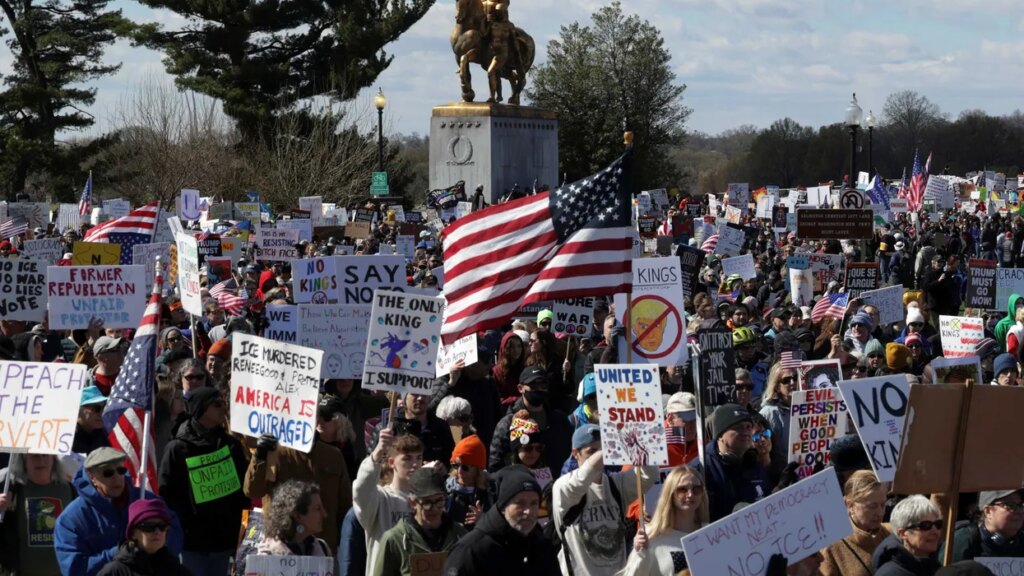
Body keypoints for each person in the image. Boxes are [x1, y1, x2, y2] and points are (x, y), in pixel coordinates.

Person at [158, 387, 250, 576]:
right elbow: (166, 493)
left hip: (226, 542)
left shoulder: (230, 444)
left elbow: (244, 489)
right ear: (201, 409)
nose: (223, 408)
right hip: (193, 545)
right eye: (217, 404)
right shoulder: (177, 448)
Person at [244, 398, 353, 554]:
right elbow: (252, 491)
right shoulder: (275, 453)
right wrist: (260, 456)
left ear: (317, 418)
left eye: (310, 414)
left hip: (322, 549)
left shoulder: (333, 455)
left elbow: (345, 505)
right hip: (280, 547)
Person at [54, 447, 184, 576]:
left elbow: (175, 535)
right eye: (108, 473)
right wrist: (120, 552)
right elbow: (74, 569)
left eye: (121, 470)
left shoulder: (146, 500)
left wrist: (153, 546)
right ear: (92, 477)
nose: (116, 477)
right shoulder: (71, 519)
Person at [551, 424, 657, 575]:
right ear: (575, 453)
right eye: (592, 451)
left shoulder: (616, 484)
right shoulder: (563, 486)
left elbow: (649, 475)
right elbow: (583, 477)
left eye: (603, 449)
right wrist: (611, 445)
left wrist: (638, 445)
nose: (602, 456)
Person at [443, 466, 560, 575]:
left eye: (534, 503)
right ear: (503, 506)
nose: (528, 511)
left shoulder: (542, 546)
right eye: (520, 503)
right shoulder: (470, 551)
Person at [374, 467, 467, 576]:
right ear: (412, 502)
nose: (434, 509)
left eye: (439, 501)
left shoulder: (460, 536)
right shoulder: (395, 540)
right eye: (427, 503)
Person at [354, 429, 422, 576]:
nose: (415, 464)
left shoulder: (424, 501)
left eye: (418, 458)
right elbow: (361, 489)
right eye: (407, 458)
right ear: (392, 462)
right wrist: (376, 454)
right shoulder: (380, 498)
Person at [622, 466, 708, 575]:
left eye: (696, 489)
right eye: (682, 489)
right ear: (670, 493)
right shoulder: (650, 536)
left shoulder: (711, 533)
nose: (690, 494)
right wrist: (640, 553)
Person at [0, 453, 76, 576]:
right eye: (34, 456)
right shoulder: (10, 489)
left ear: (53, 459)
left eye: (45, 455)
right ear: (24, 461)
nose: (40, 460)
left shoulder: (68, 489)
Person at [489, 365, 572, 477]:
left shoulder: (560, 420)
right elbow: (495, 465)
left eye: (543, 385)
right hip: (520, 489)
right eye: (533, 386)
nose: (539, 389)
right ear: (520, 388)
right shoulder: (507, 423)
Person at [704, 404, 770, 521]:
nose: (745, 432)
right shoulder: (703, 467)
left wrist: (781, 487)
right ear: (720, 435)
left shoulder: (753, 461)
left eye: (748, 427)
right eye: (738, 427)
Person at [820, 470, 893, 576]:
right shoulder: (832, 548)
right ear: (850, 505)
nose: (880, 513)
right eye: (872, 506)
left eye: (883, 505)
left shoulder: (892, 532)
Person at [96, 499, 190, 576]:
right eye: (149, 527)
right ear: (133, 534)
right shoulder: (115, 572)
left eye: (162, 526)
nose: (157, 532)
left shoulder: (176, 570)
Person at [249, 480, 331, 561]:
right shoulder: (267, 555)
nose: (324, 514)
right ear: (298, 516)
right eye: (318, 509)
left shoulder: (323, 548)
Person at [873, 495, 943, 576]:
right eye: (926, 526)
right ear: (903, 533)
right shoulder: (889, 573)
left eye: (938, 524)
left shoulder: (938, 569)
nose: (935, 532)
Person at [946, 489, 1024, 562]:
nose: (1020, 511)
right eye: (1010, 505)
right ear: (988, 511)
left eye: (1021, 505)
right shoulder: (963, 541)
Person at [759, 362, 796, 479]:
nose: (793, 383)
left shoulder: (809, 407)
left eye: (796, 378)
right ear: (776, 387)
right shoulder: (768, 413)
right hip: (781, 478)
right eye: (786, 380)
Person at [445, 434, 490, 527]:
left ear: (477, 470)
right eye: (456, 466)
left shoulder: (487, 494)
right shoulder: (446, 487)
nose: (459, 471)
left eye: (465, 468)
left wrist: (482, 519)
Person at [73, 385, 112, 454]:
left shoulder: (105, 436)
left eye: (104, 407)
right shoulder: (67, 440)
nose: (102, 413)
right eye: (96, 408)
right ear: (78, 411)